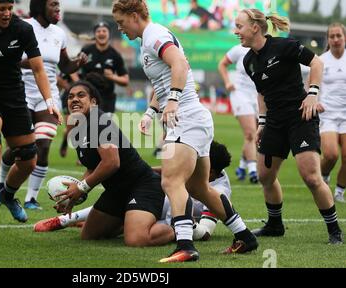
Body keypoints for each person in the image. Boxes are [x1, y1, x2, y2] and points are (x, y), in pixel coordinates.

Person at [112, 0, 258, 263]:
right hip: (192, 117)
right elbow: (164, 78)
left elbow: (179, 64)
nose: (120, 28)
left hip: (186, 118)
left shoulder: (154, 35)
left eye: (121, 22)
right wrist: (151, 112)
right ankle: (245, 236)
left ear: (134, 16)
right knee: (199, 187)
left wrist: (174, 99)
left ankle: (185, 245)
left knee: (171, 181)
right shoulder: (149, 39)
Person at [236, 9, 343, 244]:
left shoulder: (285, 46)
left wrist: (312, 93)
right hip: (274, 121)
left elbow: (316, 62)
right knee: (265, 176)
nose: (236, 31)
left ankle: (334, 231)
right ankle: (275, 225)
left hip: (300, 117)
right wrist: (262, 123)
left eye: (239, 26)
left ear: (255, 27)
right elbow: (261, 93)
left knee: (312, 177)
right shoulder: (248, 61)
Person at [37, 80, 176, 247]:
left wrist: (81, 187)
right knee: (89, 235)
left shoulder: (99, 121)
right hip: (116, 191)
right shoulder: (79, 127)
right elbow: (92, 167)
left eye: (81, 95)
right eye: (70, 97)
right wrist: (73, 196)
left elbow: (112, 162)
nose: (74, 99)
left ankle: (179, 227)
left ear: (93, 102)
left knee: (137, 240)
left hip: (141, 185)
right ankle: (130, 221)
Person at [0, 0, 61, 235]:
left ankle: (7, 195)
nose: (7, 13)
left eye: (10, 8)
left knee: (29, 159)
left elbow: (38, 69)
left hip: (15, 98)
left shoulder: (23, 29)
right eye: (1, 9)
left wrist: (49, 102)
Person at [34, 141, 233, 245]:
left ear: (211, 171)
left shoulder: (220, 192)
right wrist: (141, 170)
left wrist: (185, 226)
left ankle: (66, 221)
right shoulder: (197, 172)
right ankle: (67, 220)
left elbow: (206, 232)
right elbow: (167, 171)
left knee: (135, 235)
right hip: (155, 205)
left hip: (169, 220)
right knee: (99, 233)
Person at [0, 0, 87, 211]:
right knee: (19, 149)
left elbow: (64, 65)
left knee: (43, 146)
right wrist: (32, 62)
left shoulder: (59, 34)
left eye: (58, 5)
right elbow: (6, 56)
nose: (58, 8)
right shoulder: (20, 26)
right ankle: (1, 185)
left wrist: (77, 62)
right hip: (20, 94)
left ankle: (31, 198)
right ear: (40, 6)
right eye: (53, 4)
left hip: (48, 96)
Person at [218, 44, 258, 184]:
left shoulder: (266, 48)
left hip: (259, 96)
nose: (238, 32)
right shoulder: (238, 49)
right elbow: (222, 64)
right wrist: (228, 82)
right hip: (240, 94)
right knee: (250, 134)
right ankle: (253, 170)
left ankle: (241, 166)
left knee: (256, 135)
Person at [318, 23, 346, 203]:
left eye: (339, 36)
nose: (335, 39)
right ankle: (322, 177)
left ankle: (339, 192)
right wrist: (315, 100)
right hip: (327, 114)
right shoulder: (321, 60)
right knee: (330, 155)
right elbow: (311, 85)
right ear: (328, 39)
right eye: (332, 36)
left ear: (345, 37)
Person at [80, 20, 129, 115]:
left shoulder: (115, 55)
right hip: (88, 97)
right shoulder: (86, 50)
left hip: (107, 100)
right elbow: (73, 69)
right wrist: (79, 83)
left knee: (105, 128)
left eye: (104, 31)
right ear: (94, 34)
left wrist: (112, 77)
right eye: (98, 31)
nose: (101, 33)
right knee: (88, 128)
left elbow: (125, 80)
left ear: (109, 34)